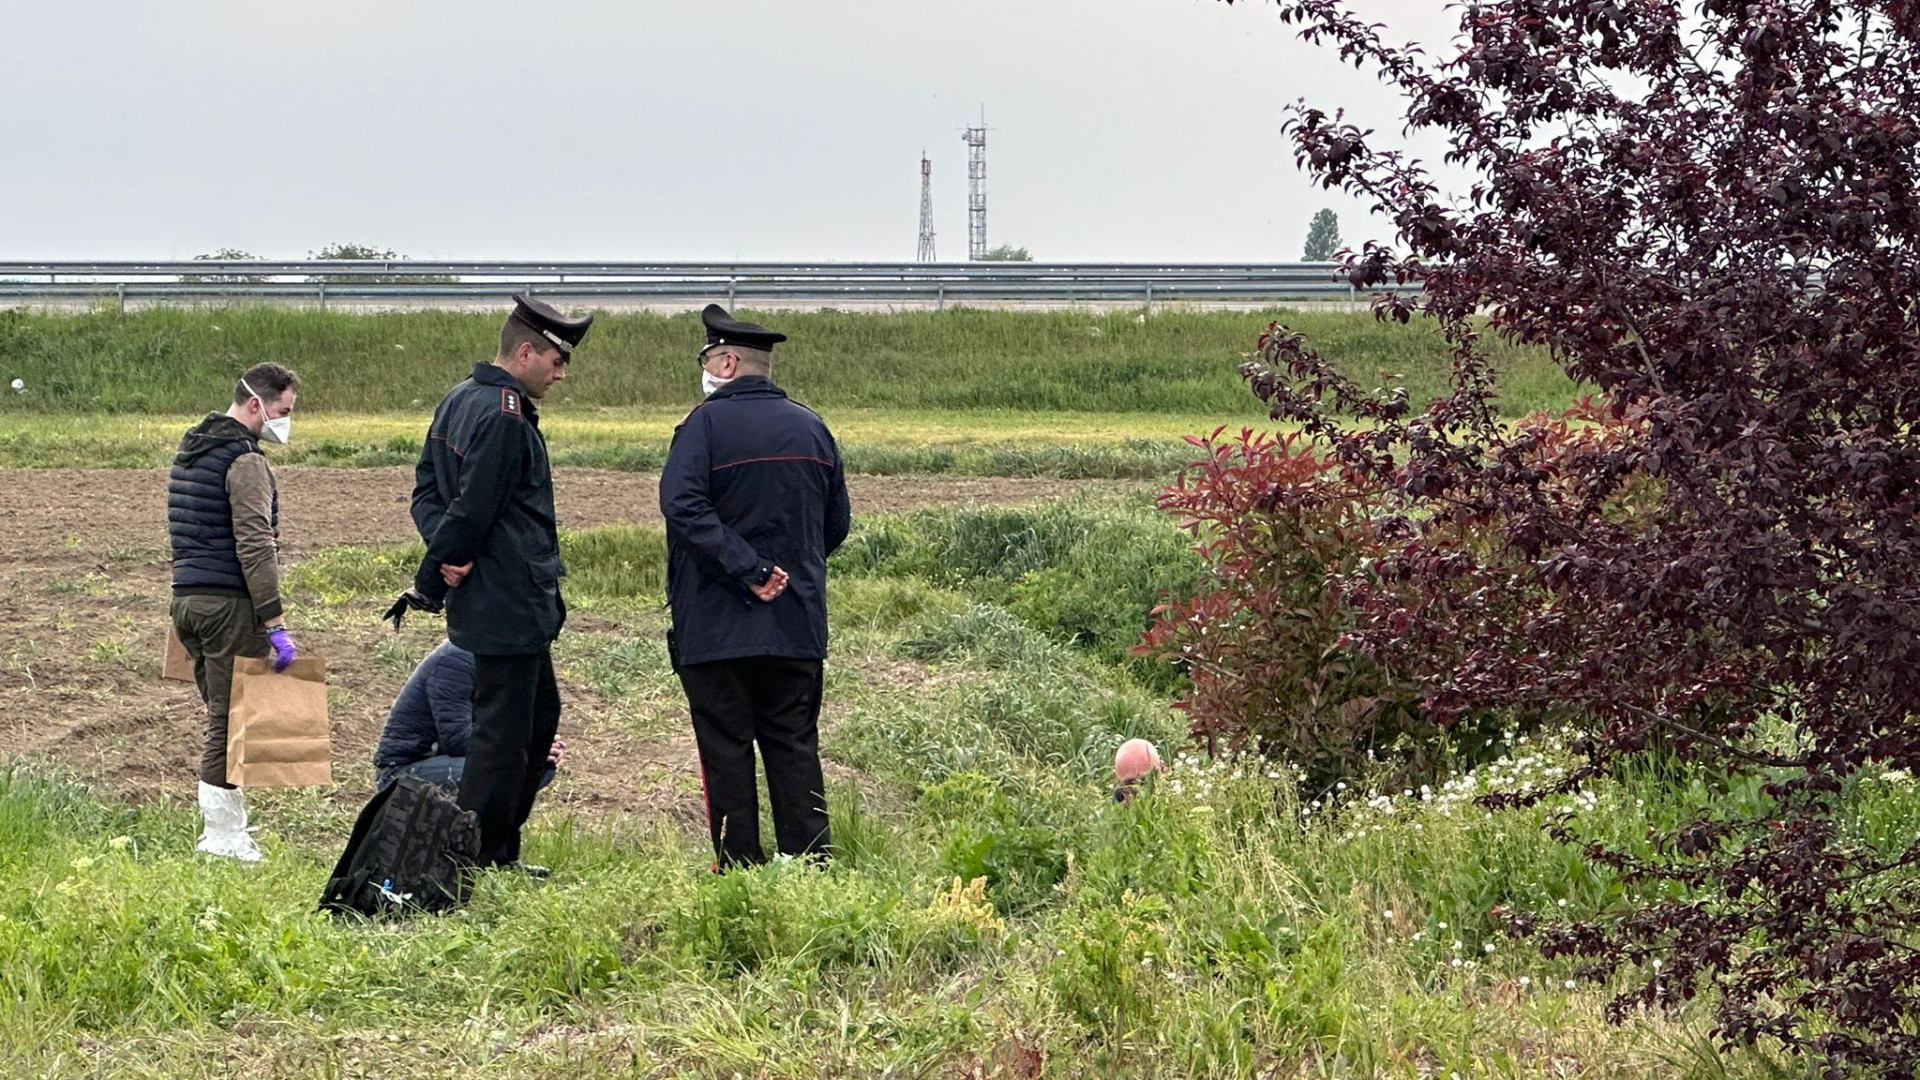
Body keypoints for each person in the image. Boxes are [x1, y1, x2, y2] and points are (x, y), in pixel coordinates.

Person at [385, 294, 591, 873]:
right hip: (508, 597)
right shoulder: (503, 414)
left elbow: (426, 493)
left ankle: (495, 852)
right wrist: (439, 569)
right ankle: (471, 861)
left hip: (497, 595)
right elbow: (473, 510)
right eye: (555, 359)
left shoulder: (459, 400)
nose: (560, 372)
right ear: (524, 351)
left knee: (535, 722)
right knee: (503, 741)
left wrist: (446, 558)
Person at [661, 304, 851, 869]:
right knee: (794, 745)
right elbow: (834, 524)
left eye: (707, 359)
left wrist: (749, 570)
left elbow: (681, 504)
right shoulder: (812, 426)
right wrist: (785, 570)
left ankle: (738, 867)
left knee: (725, 748)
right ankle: (812, 864)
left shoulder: (702, 426)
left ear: (726, 361)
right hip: (795, 625)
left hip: (716, 627)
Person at [168, 361, 301, 862]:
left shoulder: (191, 451)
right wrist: (275, 622)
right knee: (231, 721)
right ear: (255, 404)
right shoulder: (244, 461)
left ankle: (229, 822)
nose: (285, 421)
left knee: (222, 713)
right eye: (282, 411)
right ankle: (222, 838)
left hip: (187, 600)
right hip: (228, 605)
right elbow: (255, 544)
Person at [372, 639, 567, 795]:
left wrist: (542, 745)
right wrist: (524, 747)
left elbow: (511, 725)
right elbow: (456, 741)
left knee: (539, 767)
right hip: (401, 772)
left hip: (451, 760)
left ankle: (487, 835)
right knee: (507, 768)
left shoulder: (506, 661)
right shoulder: (455, 660)